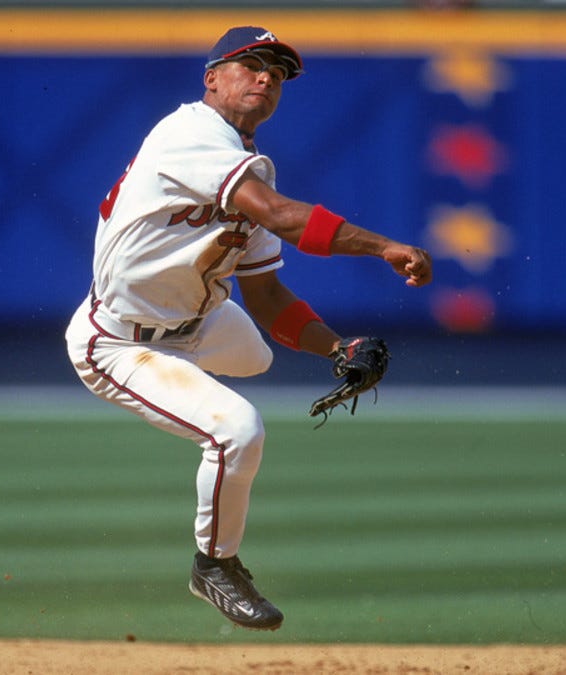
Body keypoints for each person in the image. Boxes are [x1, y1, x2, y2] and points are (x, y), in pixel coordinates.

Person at [64, 26, 432, 631]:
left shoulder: (244, 166)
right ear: (211, 78)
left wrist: (338, 347)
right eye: (252, 64)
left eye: (279, 73)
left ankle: (189, 373)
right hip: (119, 341)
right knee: (237, 429)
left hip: (201, 320)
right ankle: (215, 565)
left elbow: (264, 295)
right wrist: (384, 246)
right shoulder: (189, 133)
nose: (266, 77)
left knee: (257, 357)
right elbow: (280, 216)